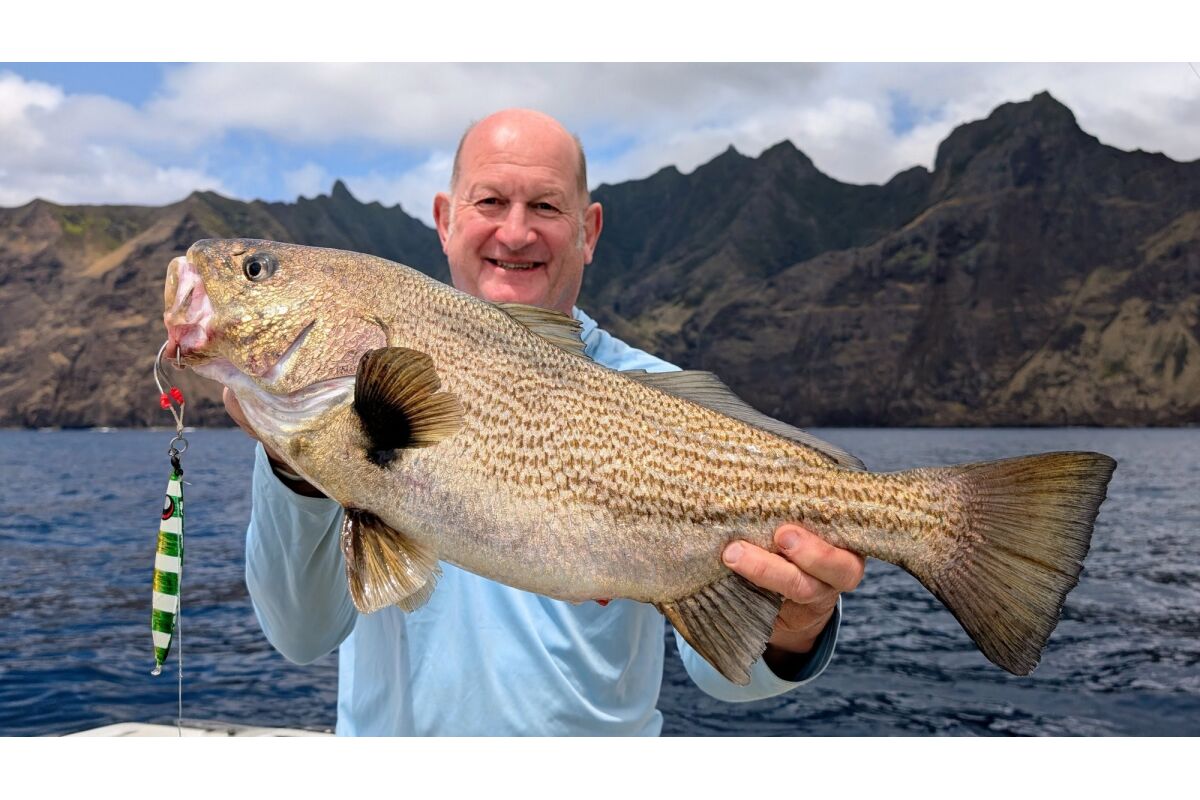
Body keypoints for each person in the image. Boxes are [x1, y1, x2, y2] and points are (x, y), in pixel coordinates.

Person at [227, 108, 864, 735]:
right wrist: (295, 465)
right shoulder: (337, 397)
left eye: (546, 206)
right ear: (445, 220)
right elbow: (301, 635)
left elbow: (726, 675)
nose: (515, 232)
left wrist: (797, 625)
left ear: (589, 230)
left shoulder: (661, 401)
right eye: (490, 201)